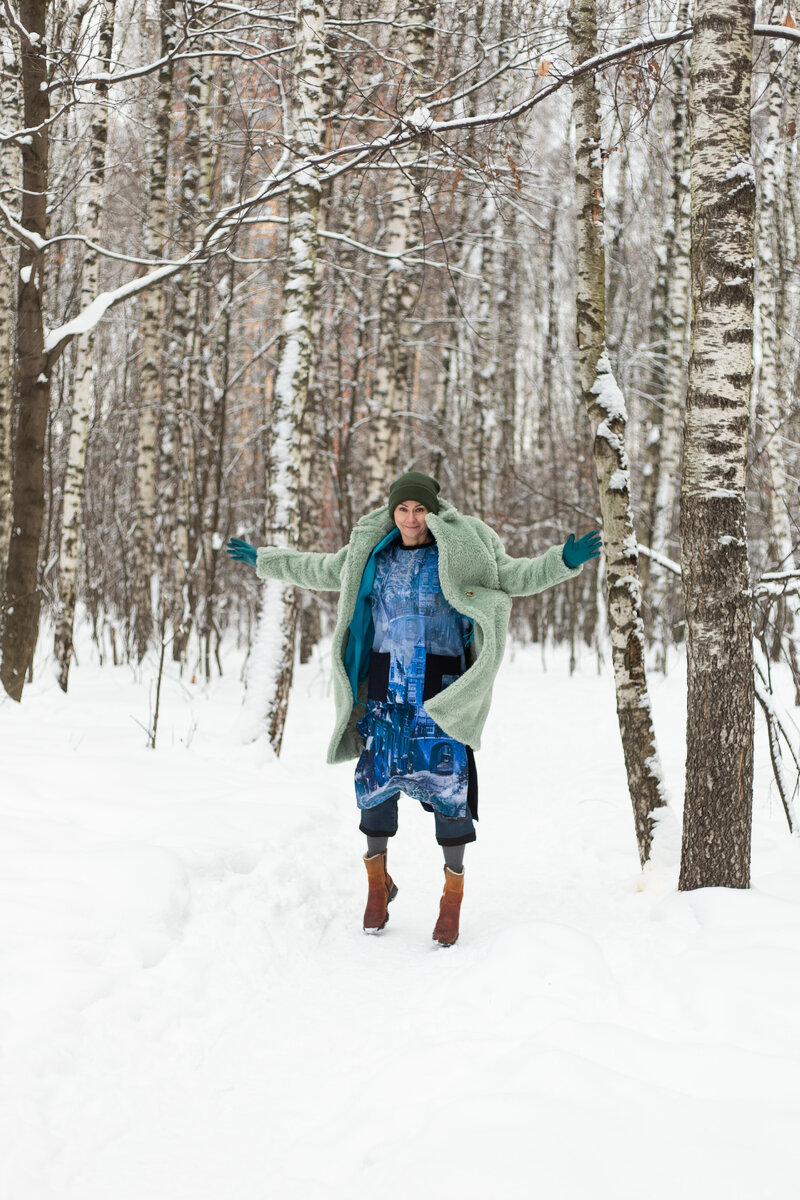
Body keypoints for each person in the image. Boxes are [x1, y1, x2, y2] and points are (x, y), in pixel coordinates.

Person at [227, 471, 601, 946]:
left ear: (433, 510)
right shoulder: (373, 548)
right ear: (392, 511)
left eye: (419, 510)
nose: (410, 519)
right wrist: (265, 559)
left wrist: (560, 562)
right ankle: (377, 887)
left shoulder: (465, 544)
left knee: (450, 793)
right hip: (385, 691)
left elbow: (512, 576)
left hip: (441, 692)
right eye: (403, 509)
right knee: (375, 790)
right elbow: (321, 569)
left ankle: (452, 898)